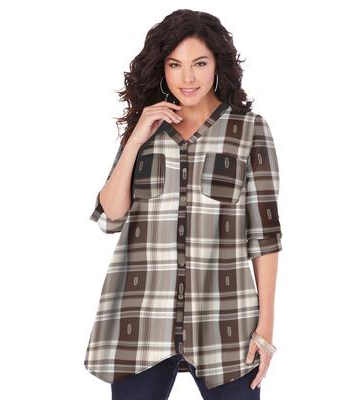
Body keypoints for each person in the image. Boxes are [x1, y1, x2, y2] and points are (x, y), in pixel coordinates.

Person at [84, 9, 283, 400]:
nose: (187, 78)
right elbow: (111, 216)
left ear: (218, 65)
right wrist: (136, 140)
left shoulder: (249, 130)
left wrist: (266, 327)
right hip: (142, 322)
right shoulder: (145, 130)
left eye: (199, 64)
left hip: (225, 322)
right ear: (162, 69)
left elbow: (265, 236)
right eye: (175, 65)